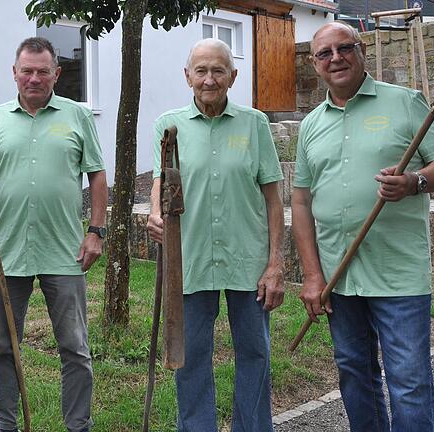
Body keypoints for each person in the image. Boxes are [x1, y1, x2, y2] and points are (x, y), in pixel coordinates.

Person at [292, 22, 434, 432]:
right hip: (339, 278)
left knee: (408, 381)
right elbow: (301, 201)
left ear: (362, 52)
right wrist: (311, 275)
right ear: (314, 63)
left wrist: (415, 182)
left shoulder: (408, 103)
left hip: (398, 274)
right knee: (354, 373)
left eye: (345, 48)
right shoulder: (310, 125)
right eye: (325, 53)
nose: (336, 58)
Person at [0, 37, 107, 432]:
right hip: (6, 252)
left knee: (75, 349)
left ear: (56, 75)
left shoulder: (77, 117)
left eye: (42, 71)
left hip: (64, 251)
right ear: (14, 73)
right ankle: (4, 424)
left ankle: (78, 425)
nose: (34, 78)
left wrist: (96, 231)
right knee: (2, 348)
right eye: (26, 70)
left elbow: (96, 174)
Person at [146, 38, 285, 432]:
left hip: (248, 259)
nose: (209, 80)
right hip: (187, 259)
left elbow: (274, 199)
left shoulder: (255, 123)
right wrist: (155, 213)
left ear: (233, 76)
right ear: (187, 76)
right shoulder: (168, 125)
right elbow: (160, 180)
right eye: (201, 71)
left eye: (218, 71)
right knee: (189, 356)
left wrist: (276, 263)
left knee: (255, 353)